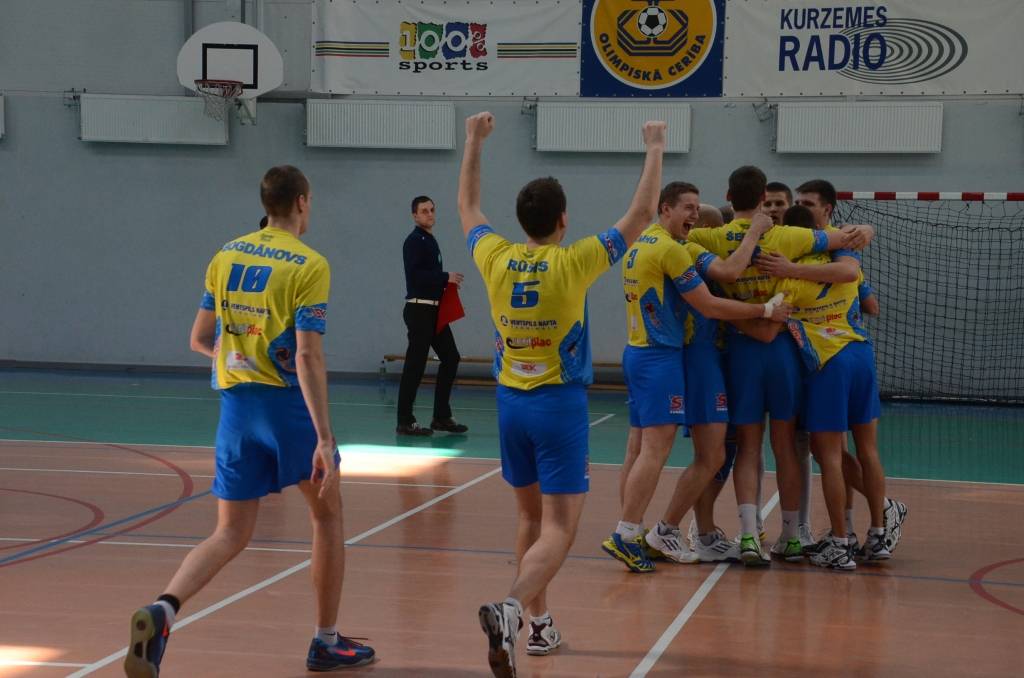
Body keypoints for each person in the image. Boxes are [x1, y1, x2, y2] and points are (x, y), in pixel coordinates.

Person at [124, 166, 374, 677]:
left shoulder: (226, 255)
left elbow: (200, 338)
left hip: (237, 408)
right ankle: (326, 641)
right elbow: (308, 355)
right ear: (302, 202)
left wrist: (239, 352)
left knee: (230, 532)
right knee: (327, 516)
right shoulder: (309, 264)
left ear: (265, 203)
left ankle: (165, 607)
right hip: (287, 408)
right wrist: (324, 437)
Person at [459, 112, 664, 678]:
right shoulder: (575, 261)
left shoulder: (494, 255)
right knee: (560, 527)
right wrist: (654, 147)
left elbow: (468, 207)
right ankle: (511, 607)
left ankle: (540, 623)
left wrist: (474, 141)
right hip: (558, 407)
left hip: (509, 404)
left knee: (529, 517)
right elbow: (642, 215)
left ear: (522, 220)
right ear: (563, 220)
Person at [685, 166, 873, 566]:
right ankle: (792, 534)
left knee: (748, 446)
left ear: (729, 196)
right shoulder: (789, 236)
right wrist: (865, 229)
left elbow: (680, 235)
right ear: (762, 200)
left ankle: (749, 535)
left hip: (742, 351)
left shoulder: (709, 238)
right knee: (787, 446)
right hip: (784, 349)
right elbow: (842, 240)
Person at [605, 182, 791, 572]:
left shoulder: (643, 242)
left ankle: (645, 531)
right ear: (666, 209)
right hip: (670, 357)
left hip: (645, 353)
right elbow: (715, 293)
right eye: (687, 209)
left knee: (643, 449)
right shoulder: (679, 249)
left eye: (696, 210)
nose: (693, 217)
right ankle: (643, 531)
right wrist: (763, 311)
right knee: (690, 452)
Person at [757, 182, 907, 559]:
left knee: (830, 456)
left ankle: (840, 540)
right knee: (861, 450)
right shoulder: (841, 256)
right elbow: (869, 301)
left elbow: (769, 325)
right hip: (859, 352)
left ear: (827, 210)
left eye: (805, 202)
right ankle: (874, 529)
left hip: (828, 363)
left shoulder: (794, 274)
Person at [396, 195, 468, 436]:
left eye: (432, 210)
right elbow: (415, 275)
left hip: (433, 311)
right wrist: (445, 277)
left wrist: (446, 284)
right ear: (415, 215)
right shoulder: (414, 241)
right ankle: (405, 420)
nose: (429, 214)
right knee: (415, 365)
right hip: (419, 310)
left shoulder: (429, 240)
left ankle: (441, 416)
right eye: (424, 211)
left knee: (451, 357)